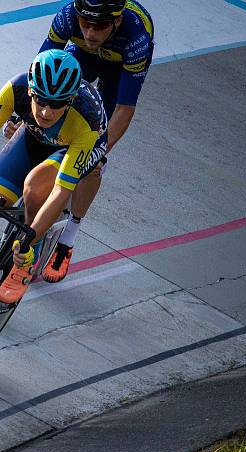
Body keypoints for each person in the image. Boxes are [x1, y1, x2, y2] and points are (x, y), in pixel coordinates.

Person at [24, 0, 154, 282]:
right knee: (54, 93)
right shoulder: (67, 17)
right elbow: (38, 72)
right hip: (82, 56)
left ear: (116, 22)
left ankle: (68, 237)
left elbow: (124, 109)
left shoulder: (136, 37)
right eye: (86, 23)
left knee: (93, 161)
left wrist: (98, 151)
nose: (91, 33)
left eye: (100, 26)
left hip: (119, 71)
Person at [0, 49, 108, 304]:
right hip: (35, 136)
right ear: (30, 91)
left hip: (75, 144)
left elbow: (61, 191)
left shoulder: (87, 118)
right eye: (41, 100)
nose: (47, 112)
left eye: (57, 104)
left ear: (69, 100)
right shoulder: (16, 87)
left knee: (35, 186)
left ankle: (36, 251)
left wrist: (28, 240)